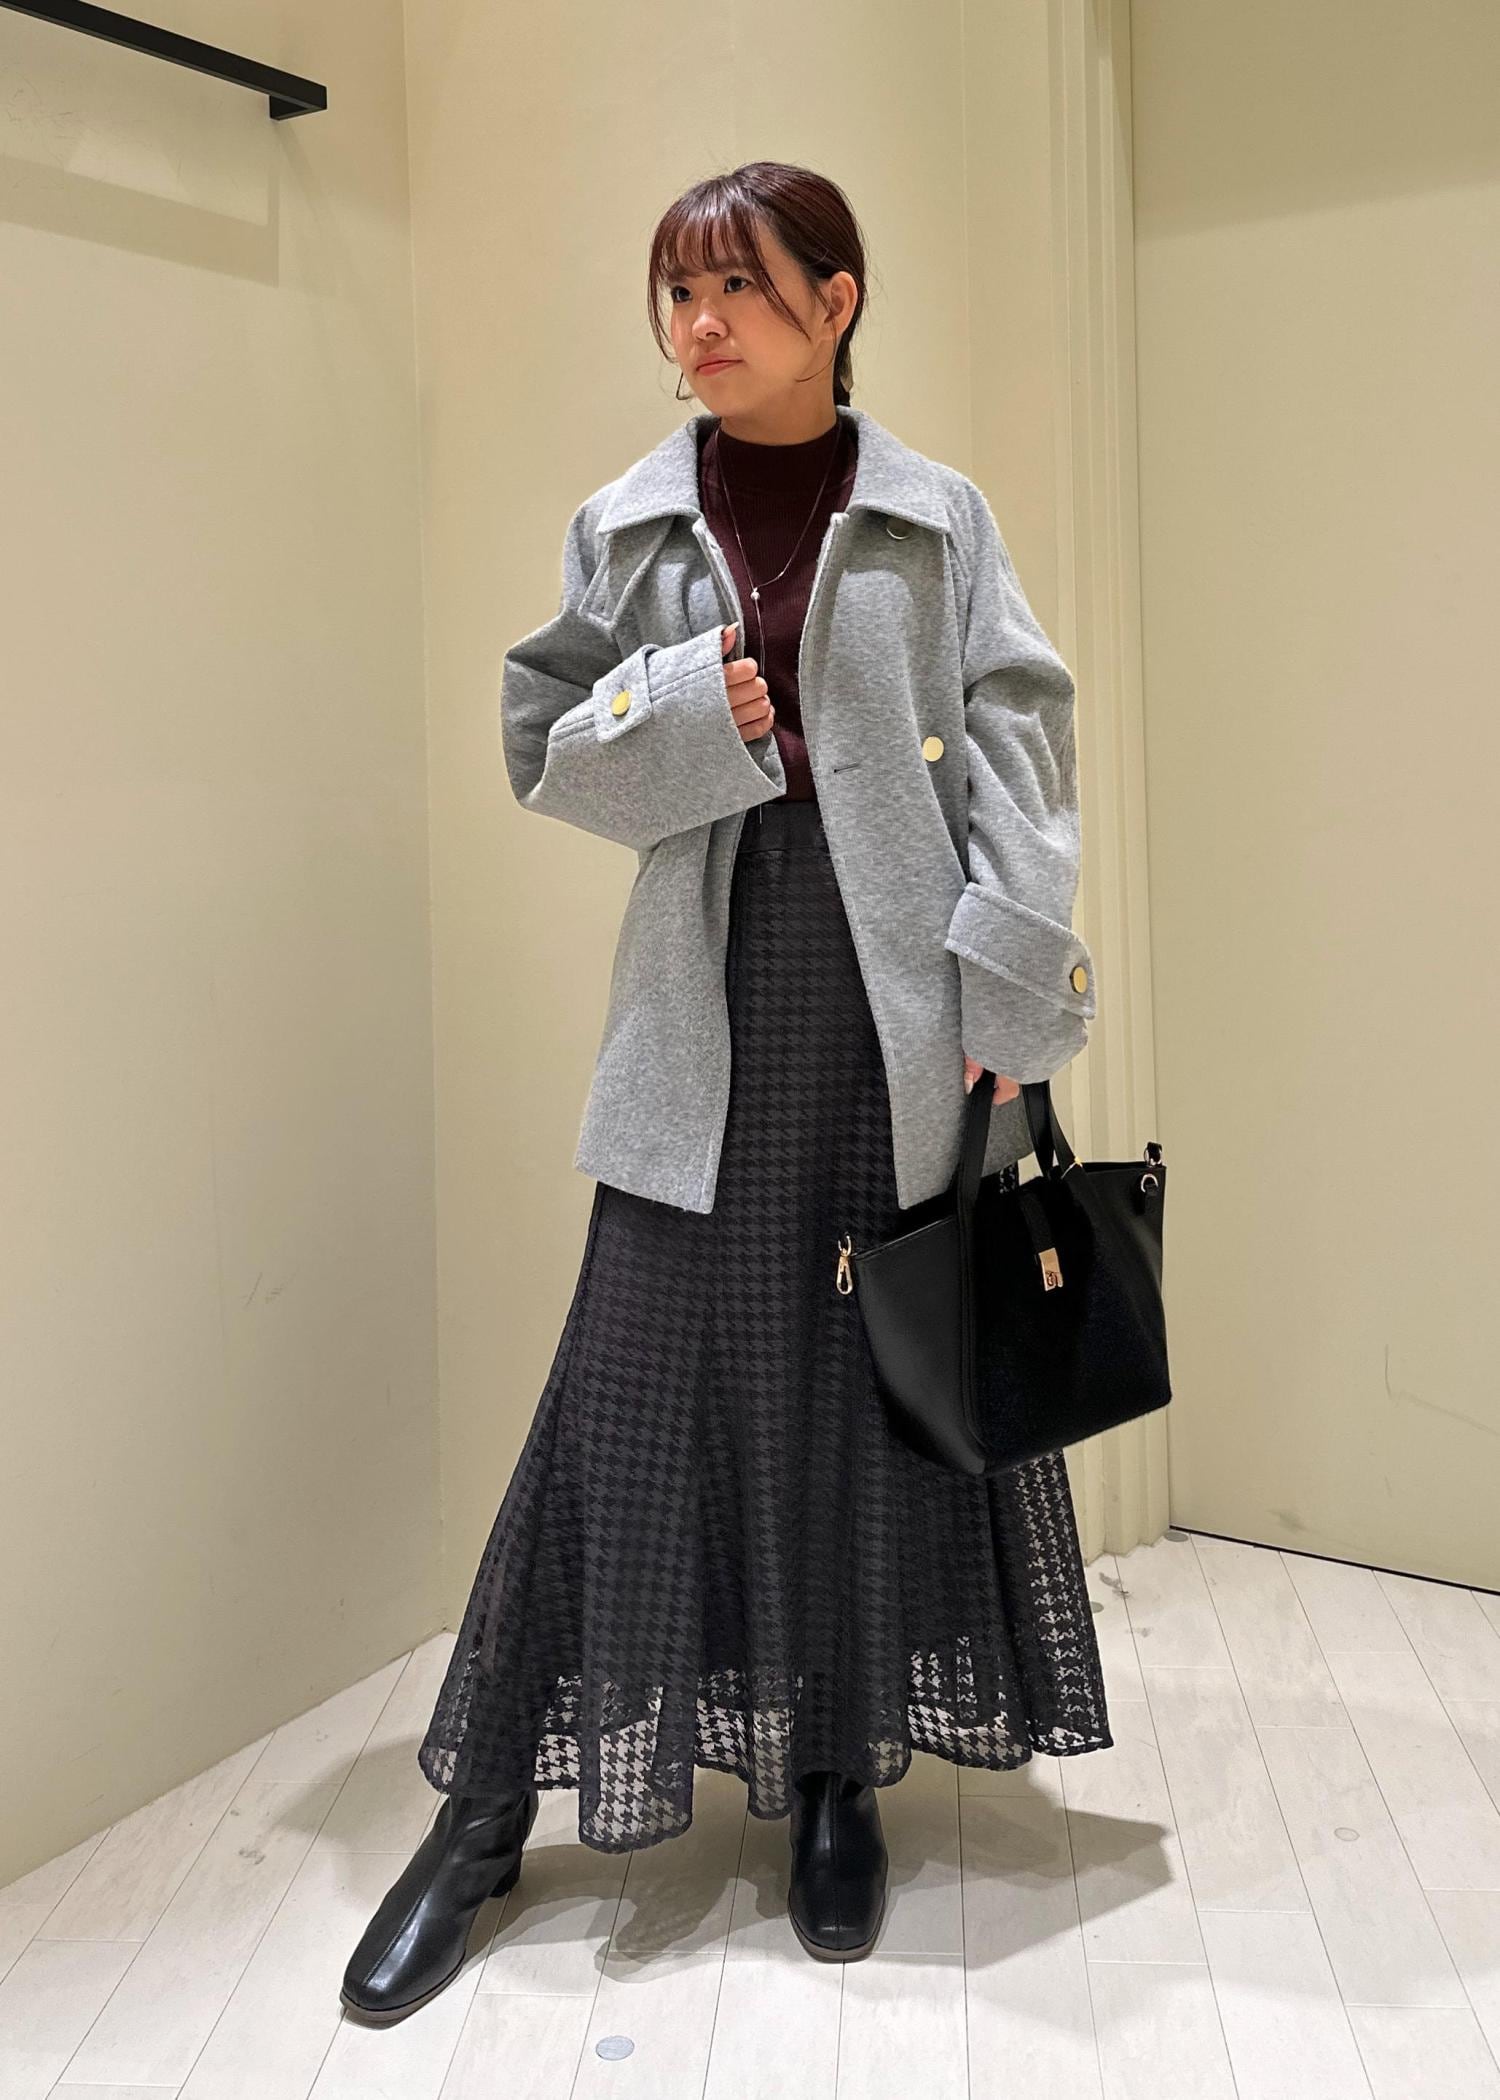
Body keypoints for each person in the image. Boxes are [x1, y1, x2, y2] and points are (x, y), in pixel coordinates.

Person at [342, 159, 1111, 2026]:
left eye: (740, 289)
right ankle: (485, 1817)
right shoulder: (627, 525)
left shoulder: (935, 517)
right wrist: (692, 709)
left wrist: (1012, 987)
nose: (700, 326)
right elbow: (544, 744)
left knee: (861, 1381)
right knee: (622, 1393)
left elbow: (1019, 738)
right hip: (705, 1004)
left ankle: (836, 1776)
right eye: (678, 294)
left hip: (899, 1007)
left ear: (836, 302)